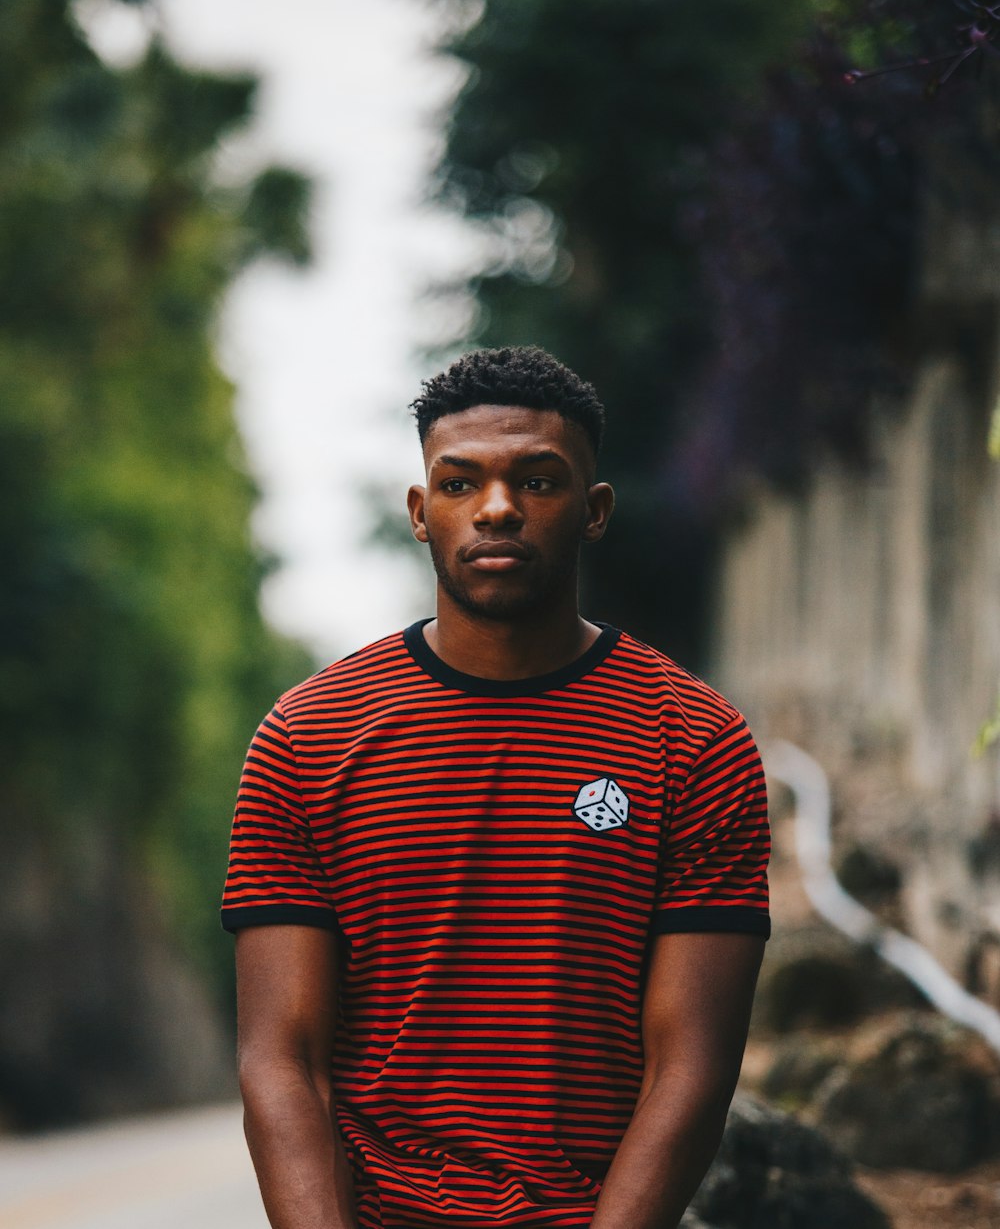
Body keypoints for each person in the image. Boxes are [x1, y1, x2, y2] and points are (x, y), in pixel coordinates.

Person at [222, 345, 770, 1229]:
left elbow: (691, 1067)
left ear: (594, 512)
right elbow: (283, 1059)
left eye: (539, 482)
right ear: (419, 510)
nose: (499, 509)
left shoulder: (695, 740)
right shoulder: (310, 735)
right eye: (460, 483)